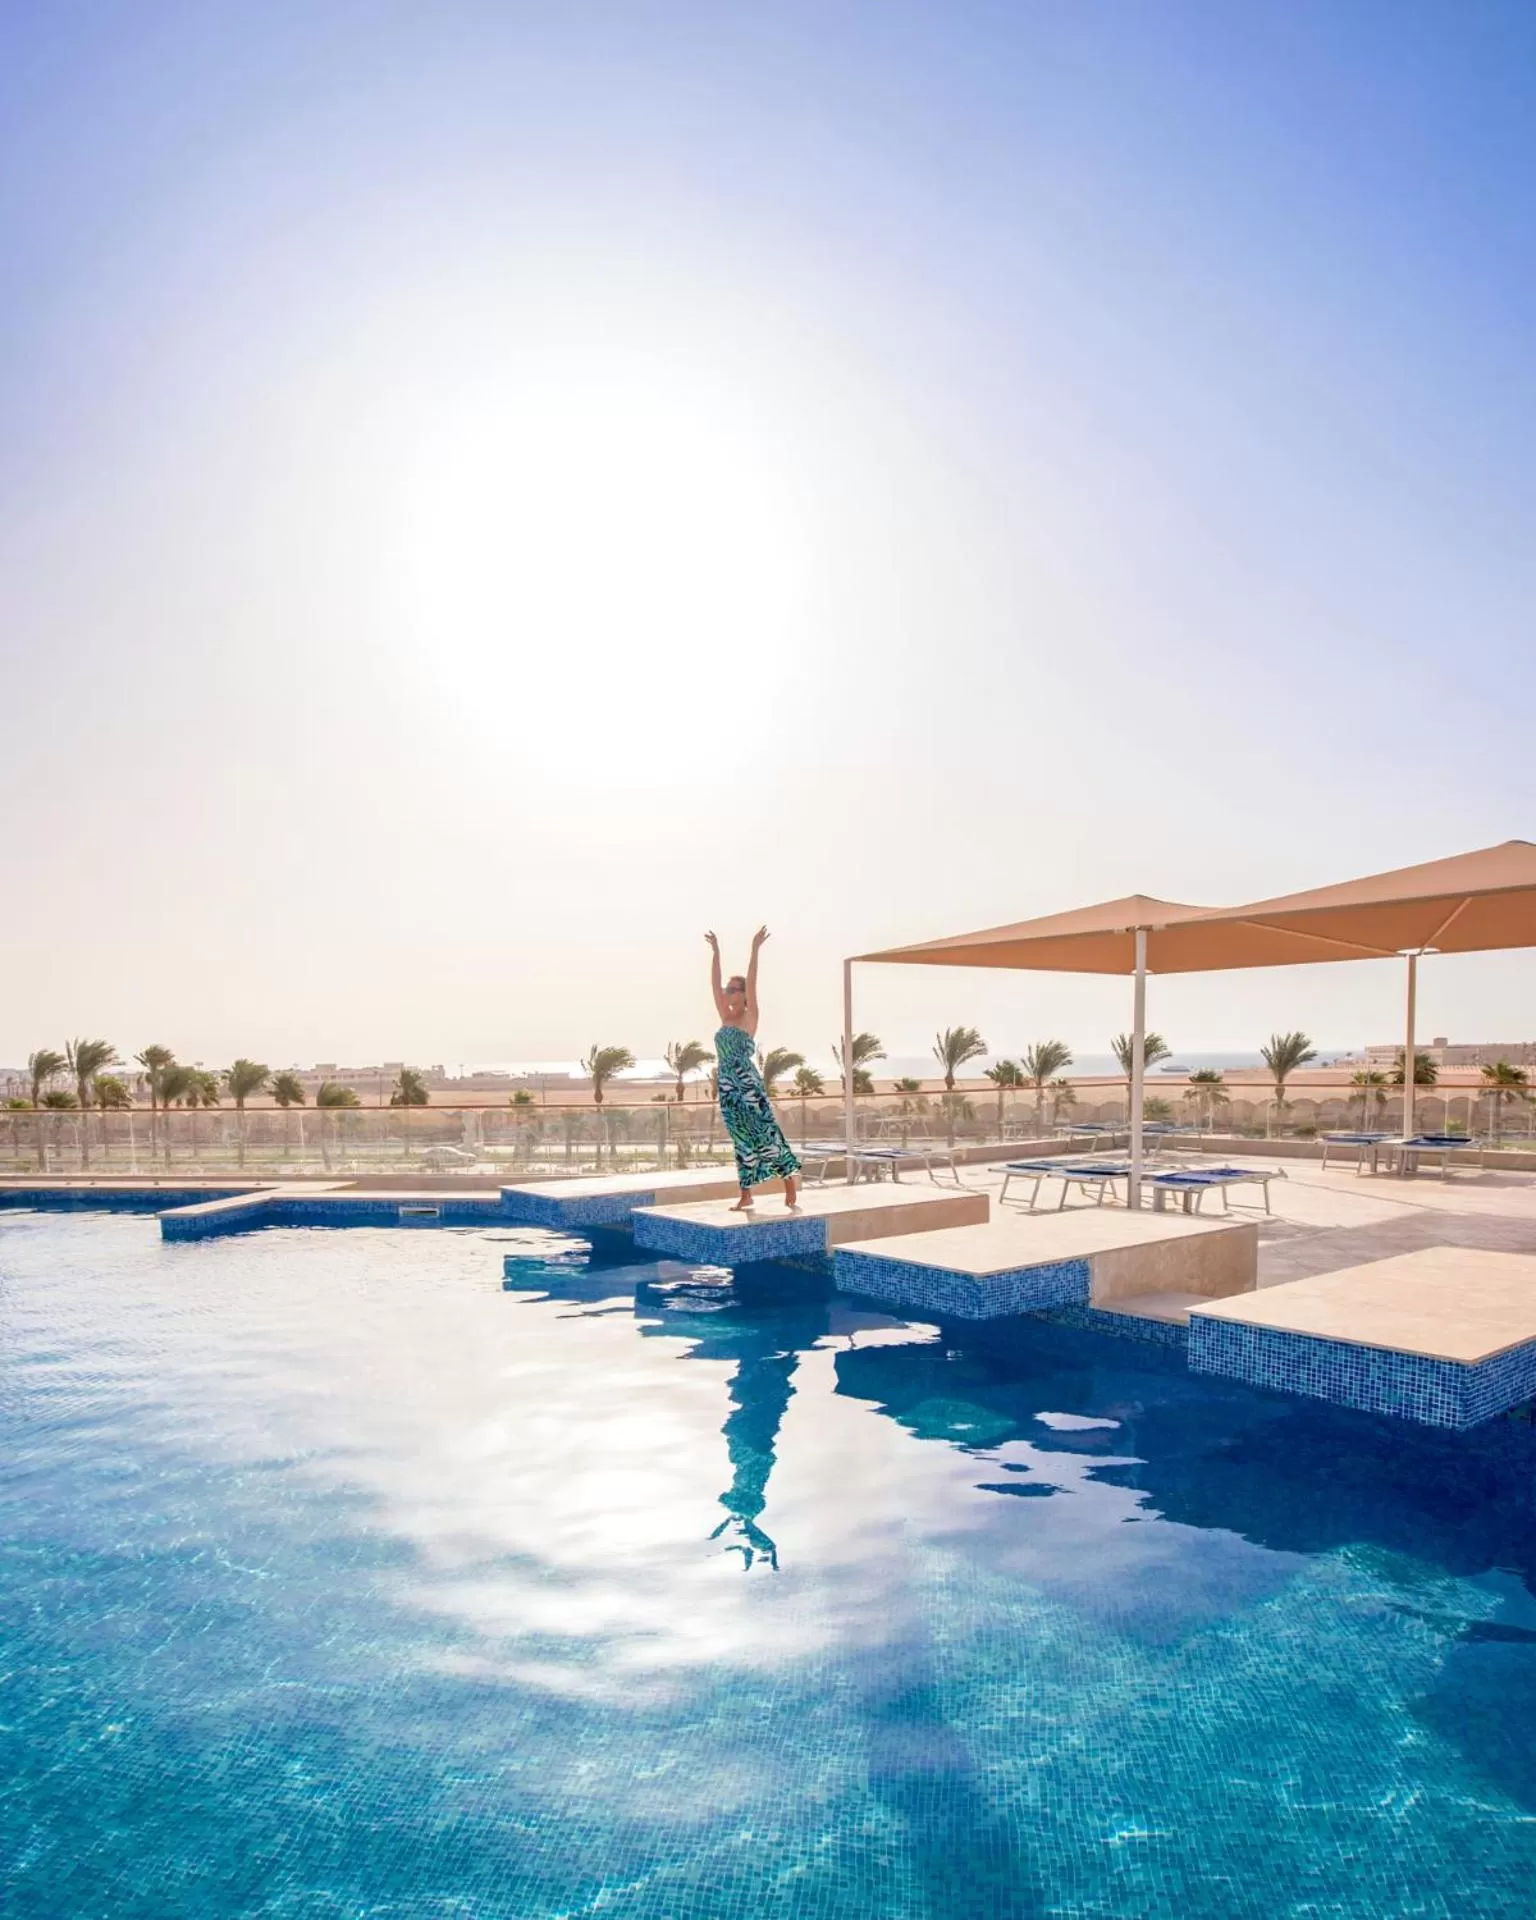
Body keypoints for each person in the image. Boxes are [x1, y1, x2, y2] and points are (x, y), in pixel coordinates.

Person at [705, 925, 802, 1211]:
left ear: (743, 994)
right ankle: (746, 1193)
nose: (726, 992)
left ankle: (788, 1179)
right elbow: (713, 985)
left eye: (732, 989)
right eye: (727, 989)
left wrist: (755, 949)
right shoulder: (724, 1017)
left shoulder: (750, 1017)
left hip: (747, 1084)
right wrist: (716, 952)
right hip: (727, 1087)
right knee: (740, 1138)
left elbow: (753, 980)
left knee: (765, 1131)